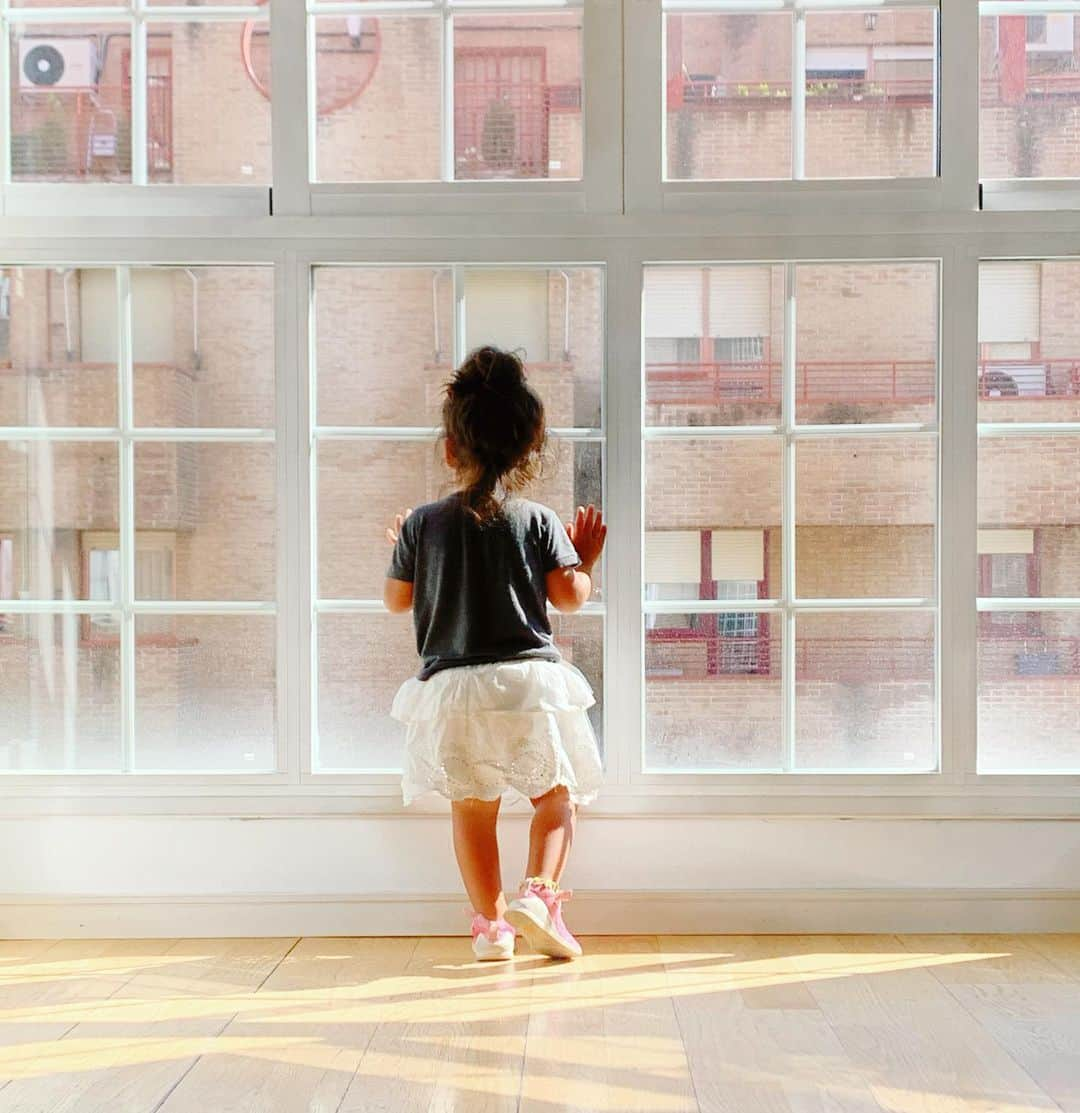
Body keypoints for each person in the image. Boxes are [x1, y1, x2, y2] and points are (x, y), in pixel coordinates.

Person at [384, 345, 606, 962]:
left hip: (453, 690)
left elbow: (396, 602)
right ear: (527, 449)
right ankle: (539, 894)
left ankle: (491, 927)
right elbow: (570, 598)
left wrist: (406, 550)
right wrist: (583, 559)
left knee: (473, 809)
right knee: (555, 795)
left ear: (451, 449)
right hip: (526, 682)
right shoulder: (538, 519)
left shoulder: (422, 525)